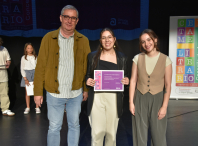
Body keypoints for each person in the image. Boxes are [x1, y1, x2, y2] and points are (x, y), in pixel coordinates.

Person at [33, 5, 90, 146]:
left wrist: (86, 89)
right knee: (54, 127)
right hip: (54, 93)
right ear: (60, 18)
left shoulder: (83, 40)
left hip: (75, 93)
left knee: (74, 125)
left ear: (77, 20)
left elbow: (87, 67)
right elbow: (40, 67)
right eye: (66, 17)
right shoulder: (48, 38)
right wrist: (38, 92)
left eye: (73, 18)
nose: (69, 21)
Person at [85, 28, 129, 146]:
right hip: (96, 98)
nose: (107, 40)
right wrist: (87, 80)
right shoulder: (92, 56)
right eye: (104, 38)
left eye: (109, 37)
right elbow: (88, 75)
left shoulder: (122, 57)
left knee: (111, 135)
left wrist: (126, 81)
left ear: (114, 39)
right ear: (100, 40)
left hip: (114, 98)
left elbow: (125, 77)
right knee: (96, 134)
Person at [129, 29, 172, 146]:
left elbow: (168, 85)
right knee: (139, 135)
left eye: (149, 40)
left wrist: (164, 106)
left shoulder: (165, 60)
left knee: (159, 136)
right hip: (140, 98)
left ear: (155, 40)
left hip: (158, 99)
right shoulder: (137, 58)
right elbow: (133, 81)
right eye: (143, 41)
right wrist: (131, 103)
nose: (146, 44)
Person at [20, 43, 40, 114]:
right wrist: (25, 79)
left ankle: (37, 107)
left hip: (34, 74)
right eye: (28, 48)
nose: (30, 49)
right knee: (27, 92)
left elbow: (38, 68)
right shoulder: (23, 57)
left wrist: (36, 78)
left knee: (36, 91)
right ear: (25, 49)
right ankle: (28, 107)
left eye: (31, 48)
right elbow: (22, 69)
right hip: (27, 74)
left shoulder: (35, 57)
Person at [0, 37, 15, 116]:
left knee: (4, 93)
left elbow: (8, 60)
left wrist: (8, 63)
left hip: (3, 75)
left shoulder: (4, 49)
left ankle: (5, 109)